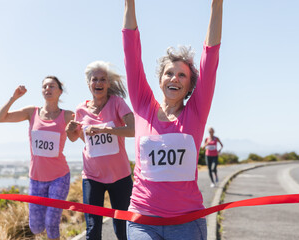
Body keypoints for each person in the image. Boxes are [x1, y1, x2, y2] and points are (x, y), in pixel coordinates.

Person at [122, 0, 223, 239]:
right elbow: (131, 53)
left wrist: (216, 5)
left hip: (186, 221)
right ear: (160, 80)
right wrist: (129, 4)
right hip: (142, 219)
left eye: (182, 75)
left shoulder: (195, 112)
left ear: (189, 85)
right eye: (169, 73)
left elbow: (210, 57)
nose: (174, 78)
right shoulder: (143, 105)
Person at [0, 76, 74, 240]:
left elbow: (82, 132)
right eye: (44, 86)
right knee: (36, 227)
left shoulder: (67, 115)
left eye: (52, 86)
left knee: (52, 222)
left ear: (60, 91)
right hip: (36, 178)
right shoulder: (32, 112)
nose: (47, 89)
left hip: (59, 177)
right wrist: (14, 98)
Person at [65, 61, 134, 240]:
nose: (98, 83)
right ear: (89, 84)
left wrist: (105, 129)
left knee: (122, 228)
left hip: (120, 176)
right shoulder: (81, 109)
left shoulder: (118, 103)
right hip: (92, 176)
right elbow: (75, 137)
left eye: (102, 79)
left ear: (109, 83)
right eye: (94, 79)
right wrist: (69, 130)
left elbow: (133, 130)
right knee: (93, 228)